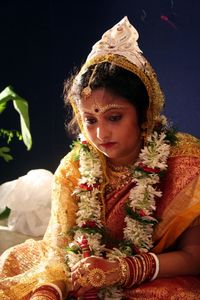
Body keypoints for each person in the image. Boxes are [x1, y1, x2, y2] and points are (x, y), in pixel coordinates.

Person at [0, 16, 200, 300]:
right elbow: (59, 249)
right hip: (83, 274)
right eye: (90, 120)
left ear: (144, 114)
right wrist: (50, 291)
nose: (101, 132)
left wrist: (124, 270)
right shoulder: (73, 168)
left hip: (152, 275)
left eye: (114, 117)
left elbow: (194, 256)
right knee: (16, 267)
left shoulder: (185, 163)